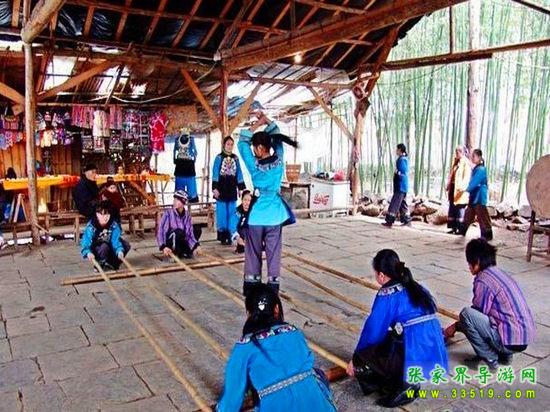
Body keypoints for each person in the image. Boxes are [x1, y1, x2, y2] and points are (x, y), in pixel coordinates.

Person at [347, 249, 448, 408]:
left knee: (366, 353)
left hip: (416, 346)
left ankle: (406, 384)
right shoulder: (414, 286)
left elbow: (373, 330)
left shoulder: (388, 293)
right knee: (390, 337)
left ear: (381, 275)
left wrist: (355, 358)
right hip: (434, 346)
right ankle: (406, 378)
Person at [216, 283, 337, 412]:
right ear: (277, 308)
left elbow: (231, 401)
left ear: (248, 313)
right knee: (316, 374)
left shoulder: (244, 347)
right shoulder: (293, 332)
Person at [444, 239, 535, 372]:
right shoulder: (500, 274)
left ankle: (490, 357)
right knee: (489, 318)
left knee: (466, 314)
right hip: (523, 338)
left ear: (477, 262)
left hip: (510, 340)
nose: (469, 267)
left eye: (469, 263)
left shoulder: (484, 280)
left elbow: (477, 314)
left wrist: (455, 327)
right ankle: (505, 356)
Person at [238, 112, 297, 295]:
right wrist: (266, 119)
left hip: (256, 216)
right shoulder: (279, 161)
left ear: (260, 148)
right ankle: (273, 287)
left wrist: (258, 123)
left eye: (255, 148)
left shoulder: (255, 166)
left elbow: (241, 143)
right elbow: (277, 136)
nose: (254, 151)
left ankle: (252, 286)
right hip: (274, 216)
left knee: (252, 253)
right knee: (274, 253)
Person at [213, 136, 246, 245]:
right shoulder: (219, 158)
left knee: (232, 212)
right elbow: (215, 173)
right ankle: (223, 236)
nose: (230, 146)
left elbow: (239, 173)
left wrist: (241, 188)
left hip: (232, 188)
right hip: (221, 188)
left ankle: (231, 234)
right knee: (222, 212)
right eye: (228, 144)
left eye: (231, 144)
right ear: (224, 145)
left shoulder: (235, 158)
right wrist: (214, 188)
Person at [80, 200, 130, 270]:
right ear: (97, 214)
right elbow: (86, 242)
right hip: (97, 248)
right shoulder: (91, 226)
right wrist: (88, 252)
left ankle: (112, 264)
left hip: (110, 246)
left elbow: (115, 240)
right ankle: (99, 264)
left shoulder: (113, 225)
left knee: (125, 245)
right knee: (104, 247)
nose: (105, 217)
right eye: (102, 214)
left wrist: (119, 250)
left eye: (107, 214)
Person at [456, 149, 492, 240]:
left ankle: (487, 234)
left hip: (479, 195)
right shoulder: (477, 168)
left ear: (479, 157)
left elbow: (475, 182)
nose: (472, 158)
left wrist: (466, 189)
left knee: (482, 216)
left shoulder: (481, 169)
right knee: (469, 214)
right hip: (474, 195)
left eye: (474, 156)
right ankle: (463, 230)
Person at [157, 190, 201, 259]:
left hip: (182, 240)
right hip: (171, 242)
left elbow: (189, 233)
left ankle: (186, 251)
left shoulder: (187, 215)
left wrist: (196, 245)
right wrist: (163, 246)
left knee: (197, 229)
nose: (174, 202)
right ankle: (175, 252)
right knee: (179, 232)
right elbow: (161, 231)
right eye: (174, 199)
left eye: (177, 200)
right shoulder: (168, 213)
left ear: (183, 202)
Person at [383, 144, 411, 228]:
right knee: (402, 204)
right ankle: (407, 220)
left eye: (397, 149)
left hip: (400, 186)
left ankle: (389, 221)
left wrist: (396, 172)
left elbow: (403, 172)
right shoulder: (403, 159)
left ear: (400, 150)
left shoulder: (402, 159)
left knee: (394, 203)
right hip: (402, 186)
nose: (396, 151)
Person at [446, 146, 471, 234]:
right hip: (453, 187)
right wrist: (448, 184)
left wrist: (462, 187)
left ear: (463, 152)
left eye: (459, 151)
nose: (457, 152)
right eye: (456, 151)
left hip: (460, 189)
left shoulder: (466, 163)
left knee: (460, 208)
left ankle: (460, 228)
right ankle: (453, 227)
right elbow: (451, 174)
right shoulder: (455, 161)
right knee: (452, 207)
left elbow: (466, 177)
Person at [173, 133, 199, 203]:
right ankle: (182, 203)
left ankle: (189, 202)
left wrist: (175, 160)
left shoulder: (191, 139)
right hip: (183, 168)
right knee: (180, 194)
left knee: (190, 194)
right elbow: (195, 153)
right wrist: (193, 159)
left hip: (185, 168)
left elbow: (195, 153)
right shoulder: (178, 140)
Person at [233, 190, 252, 254]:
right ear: (242, 200)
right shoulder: (238, 211)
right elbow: (232, 225)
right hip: (241, 233)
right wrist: (237, 237)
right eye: (245, 200)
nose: (247, 203)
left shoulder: (255, 211)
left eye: (249, 200)